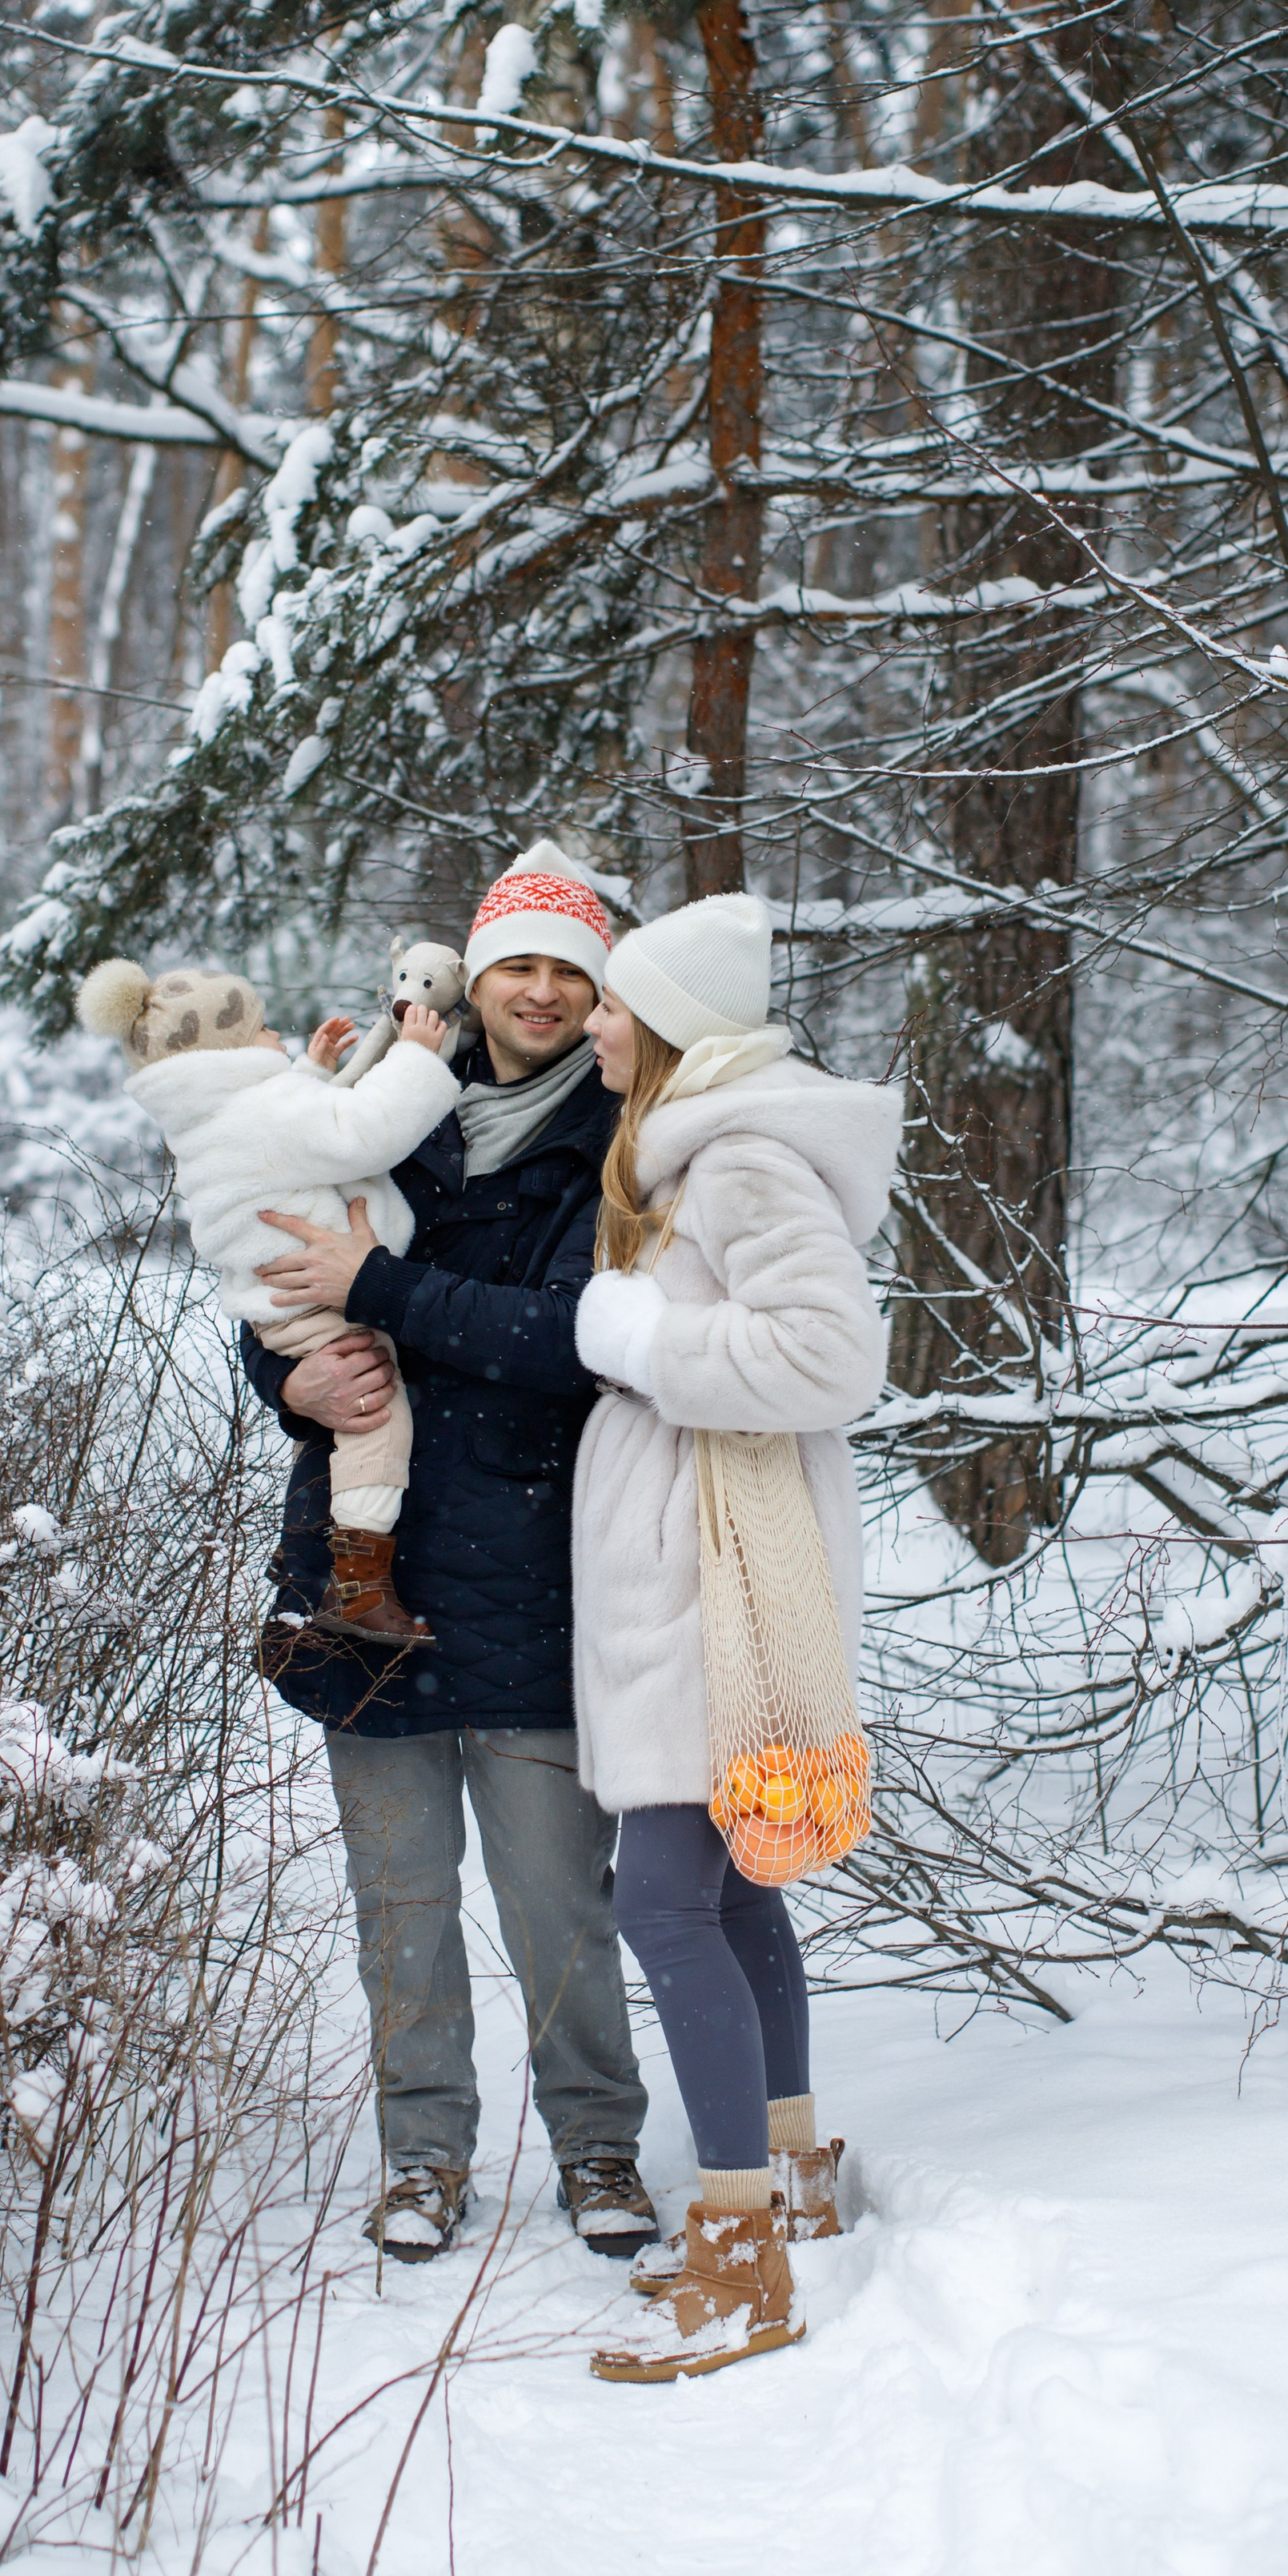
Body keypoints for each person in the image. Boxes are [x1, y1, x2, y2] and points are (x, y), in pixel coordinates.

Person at [240, 844, 656, 2265]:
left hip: (538, 1569)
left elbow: (574, 1340)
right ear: (471, 980)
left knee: (558, 1902)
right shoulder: (382, 1106)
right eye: (515, 966)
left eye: (567, 972)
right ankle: (423, 2155)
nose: (540, 992)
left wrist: (383, 1287)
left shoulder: (620, 1138)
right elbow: (279, 1280)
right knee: (400, 1905)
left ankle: (597, 2145)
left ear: (597, 990)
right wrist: (287, 1379)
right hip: (368, 1573)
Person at [565, 893, 900, 2381]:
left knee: (662, 1906)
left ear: (670, 1028)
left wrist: (645, 1341)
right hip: (704, 1570)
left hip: (723, 1587)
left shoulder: (740, 1158)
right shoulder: (689, 1154)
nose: (591, 1023)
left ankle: (740, 2254)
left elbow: (834, 1354)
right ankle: (792, 2177)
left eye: (612, 1004)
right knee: (738, 1889)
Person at [74, 950, 460, 1645]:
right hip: (320, 1304)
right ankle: (360, 1585)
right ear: (226, 1055)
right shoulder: (264, 1113)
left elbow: (291, 1138)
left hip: (274, 1309)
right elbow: (360, 1131)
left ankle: (354, 1576)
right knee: (376, 1414)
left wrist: (311, 1070)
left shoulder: (210, 1118)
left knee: (355, 1416)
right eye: (259, 1030)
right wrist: (415, 1058)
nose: (275, 1035)